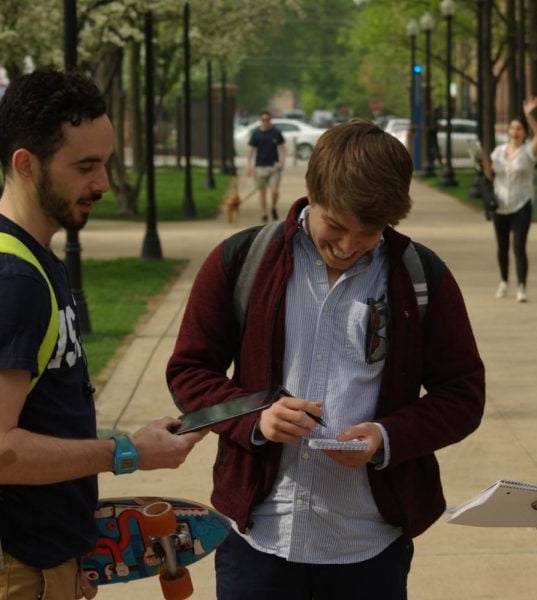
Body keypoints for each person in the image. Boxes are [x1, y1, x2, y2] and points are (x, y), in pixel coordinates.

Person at [167, 119, 485, 599]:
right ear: (310, 192)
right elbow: (189, 371)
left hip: (370, 546)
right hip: (259, 537)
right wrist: (257, 416)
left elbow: (463, 395)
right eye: (336, 226)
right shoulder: (242, 260)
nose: (349, 245)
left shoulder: (420, 277)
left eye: (370, 232)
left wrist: (386, 436)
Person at [0, 69, 206, 599]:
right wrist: (125, 452)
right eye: (85, 167)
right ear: (26, 164)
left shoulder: (32, 260)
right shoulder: (8, 282)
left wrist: (68, 554)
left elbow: (46, 416)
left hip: (34, 560)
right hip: (8, 566)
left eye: (105, 163)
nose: (102, 183)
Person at [481, 96, 537, 303]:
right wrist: (482, 161)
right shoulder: (498, 152)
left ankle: (522, 287)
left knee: (519, 247)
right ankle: (504, 282)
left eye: (519, 129)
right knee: (502, 247)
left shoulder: (528, 152)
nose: (515, 132)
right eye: (512, 128)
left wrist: (529, 116)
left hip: (522, 204)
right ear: (508, 131)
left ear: (524, 133)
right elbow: (491, 175)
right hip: (500, 204)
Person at [247, 110, 287, 223]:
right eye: (263, 120)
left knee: (274, 191)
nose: (265, 122)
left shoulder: (276, 133)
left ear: (270, 120)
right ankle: (264, 213)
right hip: (260, 166)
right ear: (261, 121)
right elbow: (251, 150)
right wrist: (249, 165)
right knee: (262, 192)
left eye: (267, 120)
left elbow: (283, 147)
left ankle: (273, 207)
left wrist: (283, 160)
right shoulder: (256, 134)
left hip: (274, 166)